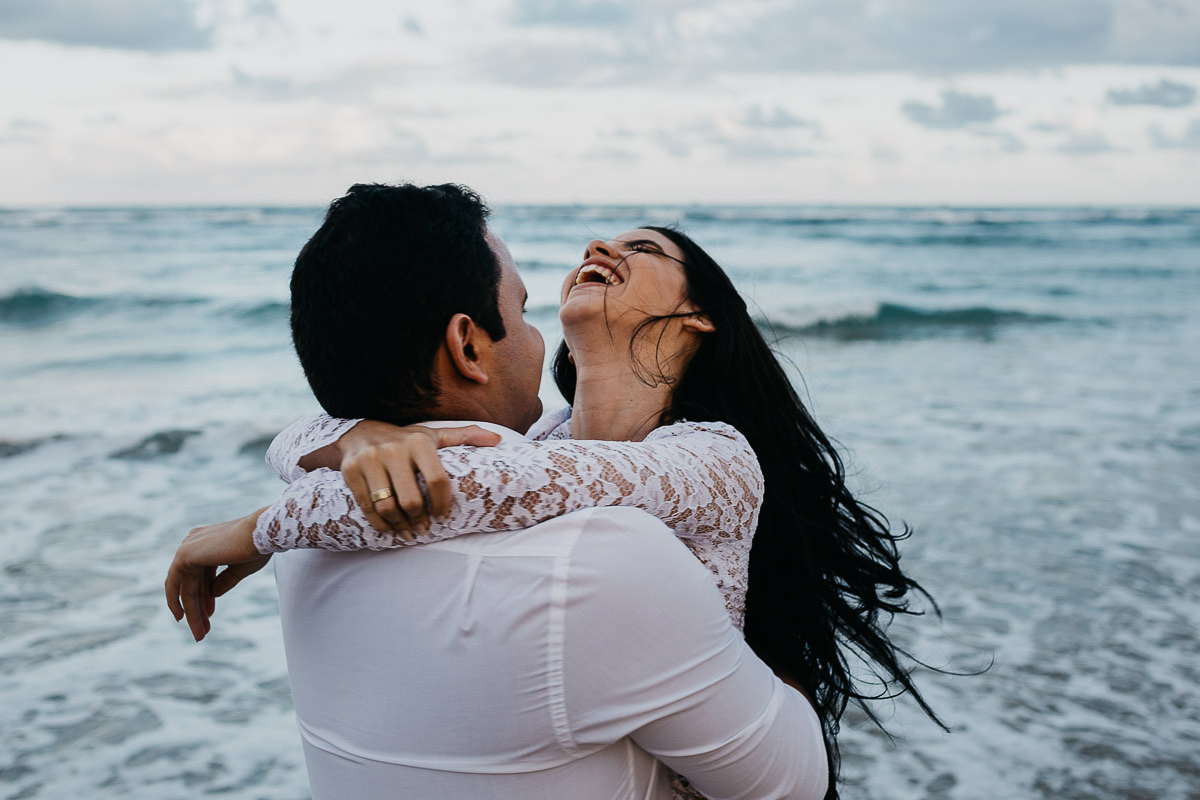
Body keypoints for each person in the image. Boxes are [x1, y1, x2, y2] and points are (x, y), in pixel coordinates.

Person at [167, 182, 830, 800]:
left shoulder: (711, 458)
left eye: (643, 249)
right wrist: (357, 439)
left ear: (698, 317)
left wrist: (263, 526)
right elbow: (495, 471)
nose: (598, 250)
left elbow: (488, 481)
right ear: (469, 348)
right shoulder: (551, 446)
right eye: (523, 309)